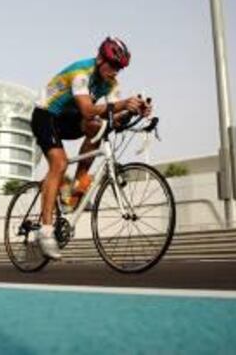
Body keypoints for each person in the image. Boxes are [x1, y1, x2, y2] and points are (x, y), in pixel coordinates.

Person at [30, 37, 150, 259]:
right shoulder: (81, 73)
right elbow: (87, 109)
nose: (116, 72)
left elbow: (113, 116)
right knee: (59, 162)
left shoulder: (111, 84)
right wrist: (123, 104)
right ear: (100, 58)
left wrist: (134, 111)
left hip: (68, 118)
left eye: (120, 68)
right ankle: (45, 232)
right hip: (45, 115)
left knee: (100, 127)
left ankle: (77, 186)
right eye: (113, 65)